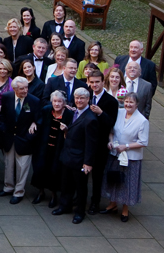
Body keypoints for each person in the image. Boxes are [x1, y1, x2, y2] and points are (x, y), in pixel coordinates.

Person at [101, 92, 149, 222]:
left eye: (131, 102)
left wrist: (126, 146)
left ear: (137, 104)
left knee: (126, 183)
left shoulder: (142, 121)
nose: (128, 104)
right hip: (115, 153)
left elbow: (143, 142)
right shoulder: (119, 112)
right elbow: (112, 130)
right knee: (113, 179)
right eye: (126, 101)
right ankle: (112, 204)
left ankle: (125, 210)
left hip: (130, 158)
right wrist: (110, 141)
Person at [53, 87, 99, 224]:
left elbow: (91, 144)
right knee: (66, 184)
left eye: (82, 98)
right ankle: (64, 206)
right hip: (68, 155)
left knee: (80, 187)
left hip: (80, 159)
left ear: (88, 100)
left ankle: (79, 212)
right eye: (77, 98)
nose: (79, 101)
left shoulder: (91, 119)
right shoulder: (73, 113)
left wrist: (88, 163)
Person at [0, 77, 41, 204]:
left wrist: (33, 127)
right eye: (22, 88)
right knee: (8, 164)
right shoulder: (7, 97)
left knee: (22, 167)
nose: (25, 90)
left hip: (25, 140)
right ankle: (8, 187)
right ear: (14, 89)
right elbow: (2, 115)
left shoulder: (34, 101)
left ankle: (19, 192)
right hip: (9, 138)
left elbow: (39, 120)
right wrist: (3, 129)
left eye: (26, 87)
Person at [31, 90, 73, 207]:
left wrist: (66, 130)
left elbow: (72, 132)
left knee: (54, 171)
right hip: (44, 146)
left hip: (58, 148)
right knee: (40, 168)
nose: (57, 104)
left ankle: (54, 195)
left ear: (64, 103)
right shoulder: (46, 110)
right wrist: (34, 123)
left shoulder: (68, 115)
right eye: (54, 101)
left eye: (59, 101)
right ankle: (41, 192)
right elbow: (37, 119)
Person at [86, 69, 119, 215]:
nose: (94, 85)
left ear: (102, 82)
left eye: (97, 82)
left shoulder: (110, 101)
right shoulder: (84, 96)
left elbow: (111, 123)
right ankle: (79, 198)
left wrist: (101, 113)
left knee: (98, 175)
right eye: (91, 82)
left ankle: (95, 202)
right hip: (85, 141)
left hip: (100, 143)